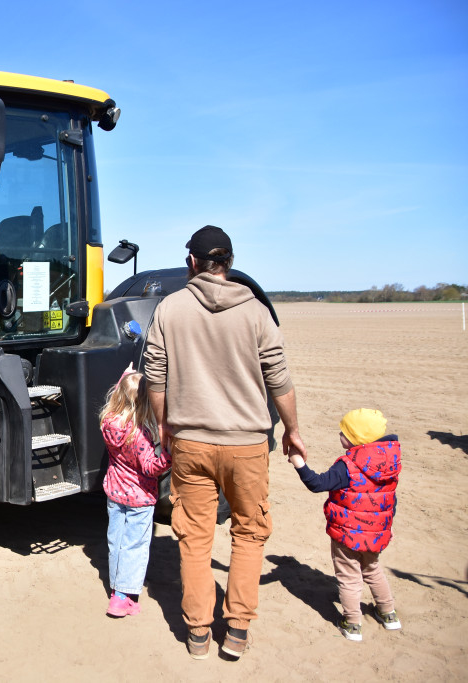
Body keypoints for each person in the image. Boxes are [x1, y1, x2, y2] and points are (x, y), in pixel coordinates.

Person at [143, 225, 307, 660]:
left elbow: (155, 375)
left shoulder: (170, 308)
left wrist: (163, 425)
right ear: (229, 263)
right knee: (249, 535)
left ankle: (197, 634)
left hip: (191, 443)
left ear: (192, 263)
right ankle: (235, 632)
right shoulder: (255, 310)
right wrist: (291, 430)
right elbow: (279, 378)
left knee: (194, 538)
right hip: (247, 445)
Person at [287, 408, 402, 641]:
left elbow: (317, 484)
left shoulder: (347, 466)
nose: (340, 435)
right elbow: (391, 498)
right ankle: (388, 613)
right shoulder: (390, 462)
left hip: (347, 534)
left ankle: (352, 623)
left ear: (356, 438)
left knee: (349, 577)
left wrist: (299, 464)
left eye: (344, 432)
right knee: (372, 569)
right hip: (376, 532)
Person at [99, 364, 172, 617]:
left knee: (116, 541)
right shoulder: (139, 435)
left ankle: (115, 587)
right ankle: (122, 597)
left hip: (115, 494)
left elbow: (125, 391)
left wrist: (125, 376)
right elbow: (151, 468)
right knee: (135, 545)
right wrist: (169, 456)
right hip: (140, 498)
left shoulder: (108, 424)